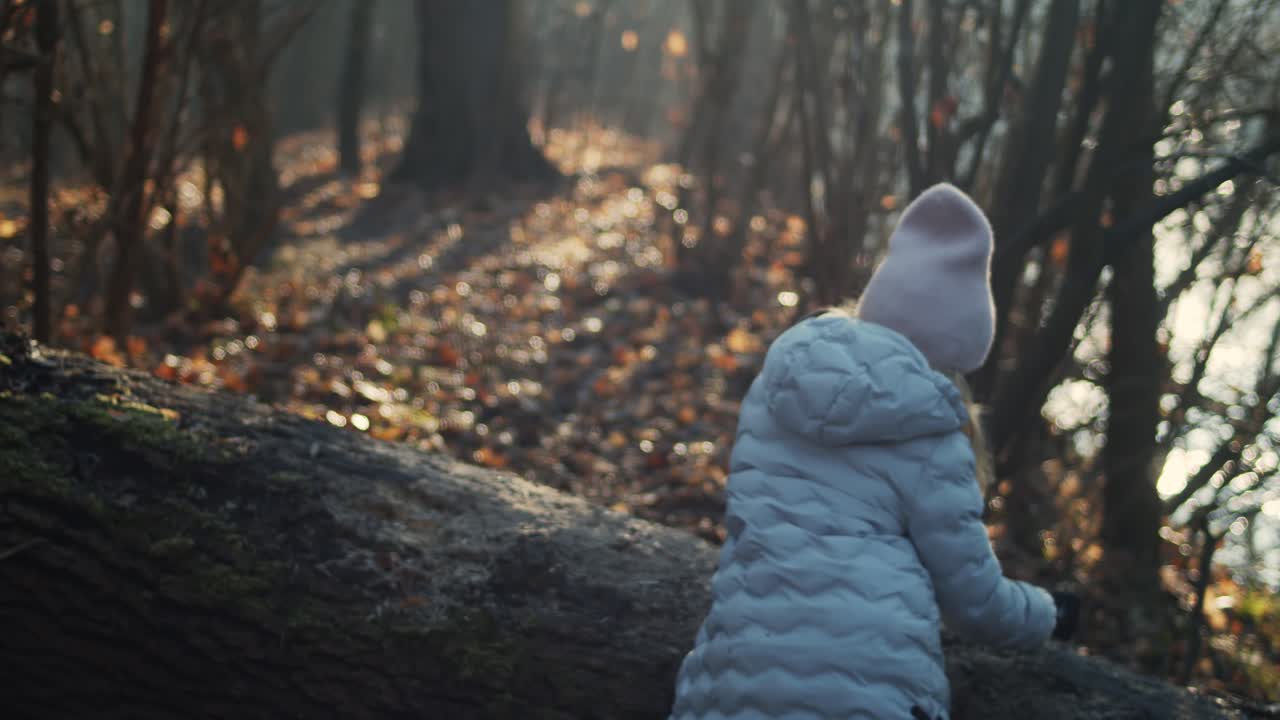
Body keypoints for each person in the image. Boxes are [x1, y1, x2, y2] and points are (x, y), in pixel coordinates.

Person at [669, 184, 1078, 720]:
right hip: (867, 697)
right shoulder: (932, 429)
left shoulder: (781, 376)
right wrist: (1049, 613)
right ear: (959, 350)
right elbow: (975, 604)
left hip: (727, 683)